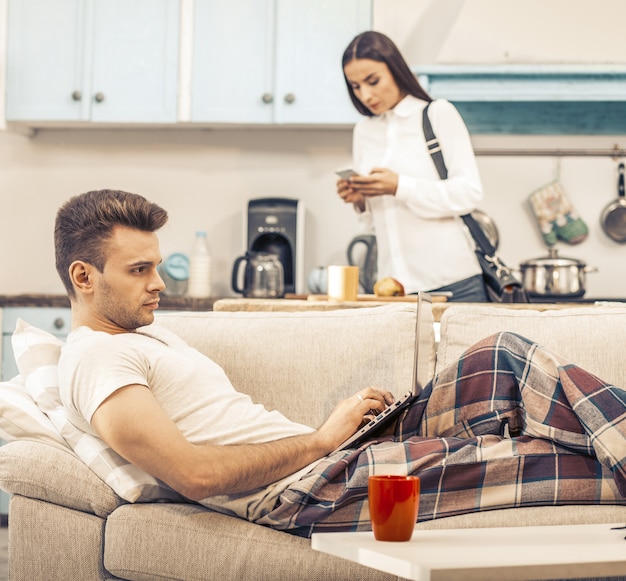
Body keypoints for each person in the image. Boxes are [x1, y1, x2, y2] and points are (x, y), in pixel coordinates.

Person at [55, 189, 626, 538]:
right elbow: (195, 475)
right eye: (138, 270)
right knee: (538, 457)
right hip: (307, 487)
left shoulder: (142, 336)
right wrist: (321, 440)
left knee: (501, 355)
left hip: (335, 457)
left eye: (155, 265)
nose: (159, 283)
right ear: (84, 277)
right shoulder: (96, 361)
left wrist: (343, 435)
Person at [337, 31, 488, 302]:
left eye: (373, 81)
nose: (366, 95)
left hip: (455, 284)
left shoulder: (438, 114)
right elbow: (375, 224)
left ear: (396, 70)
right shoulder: (363, 131)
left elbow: (469, 193)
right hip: (395, 288)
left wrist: (399, 186)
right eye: (356, 86)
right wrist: (361, 200)